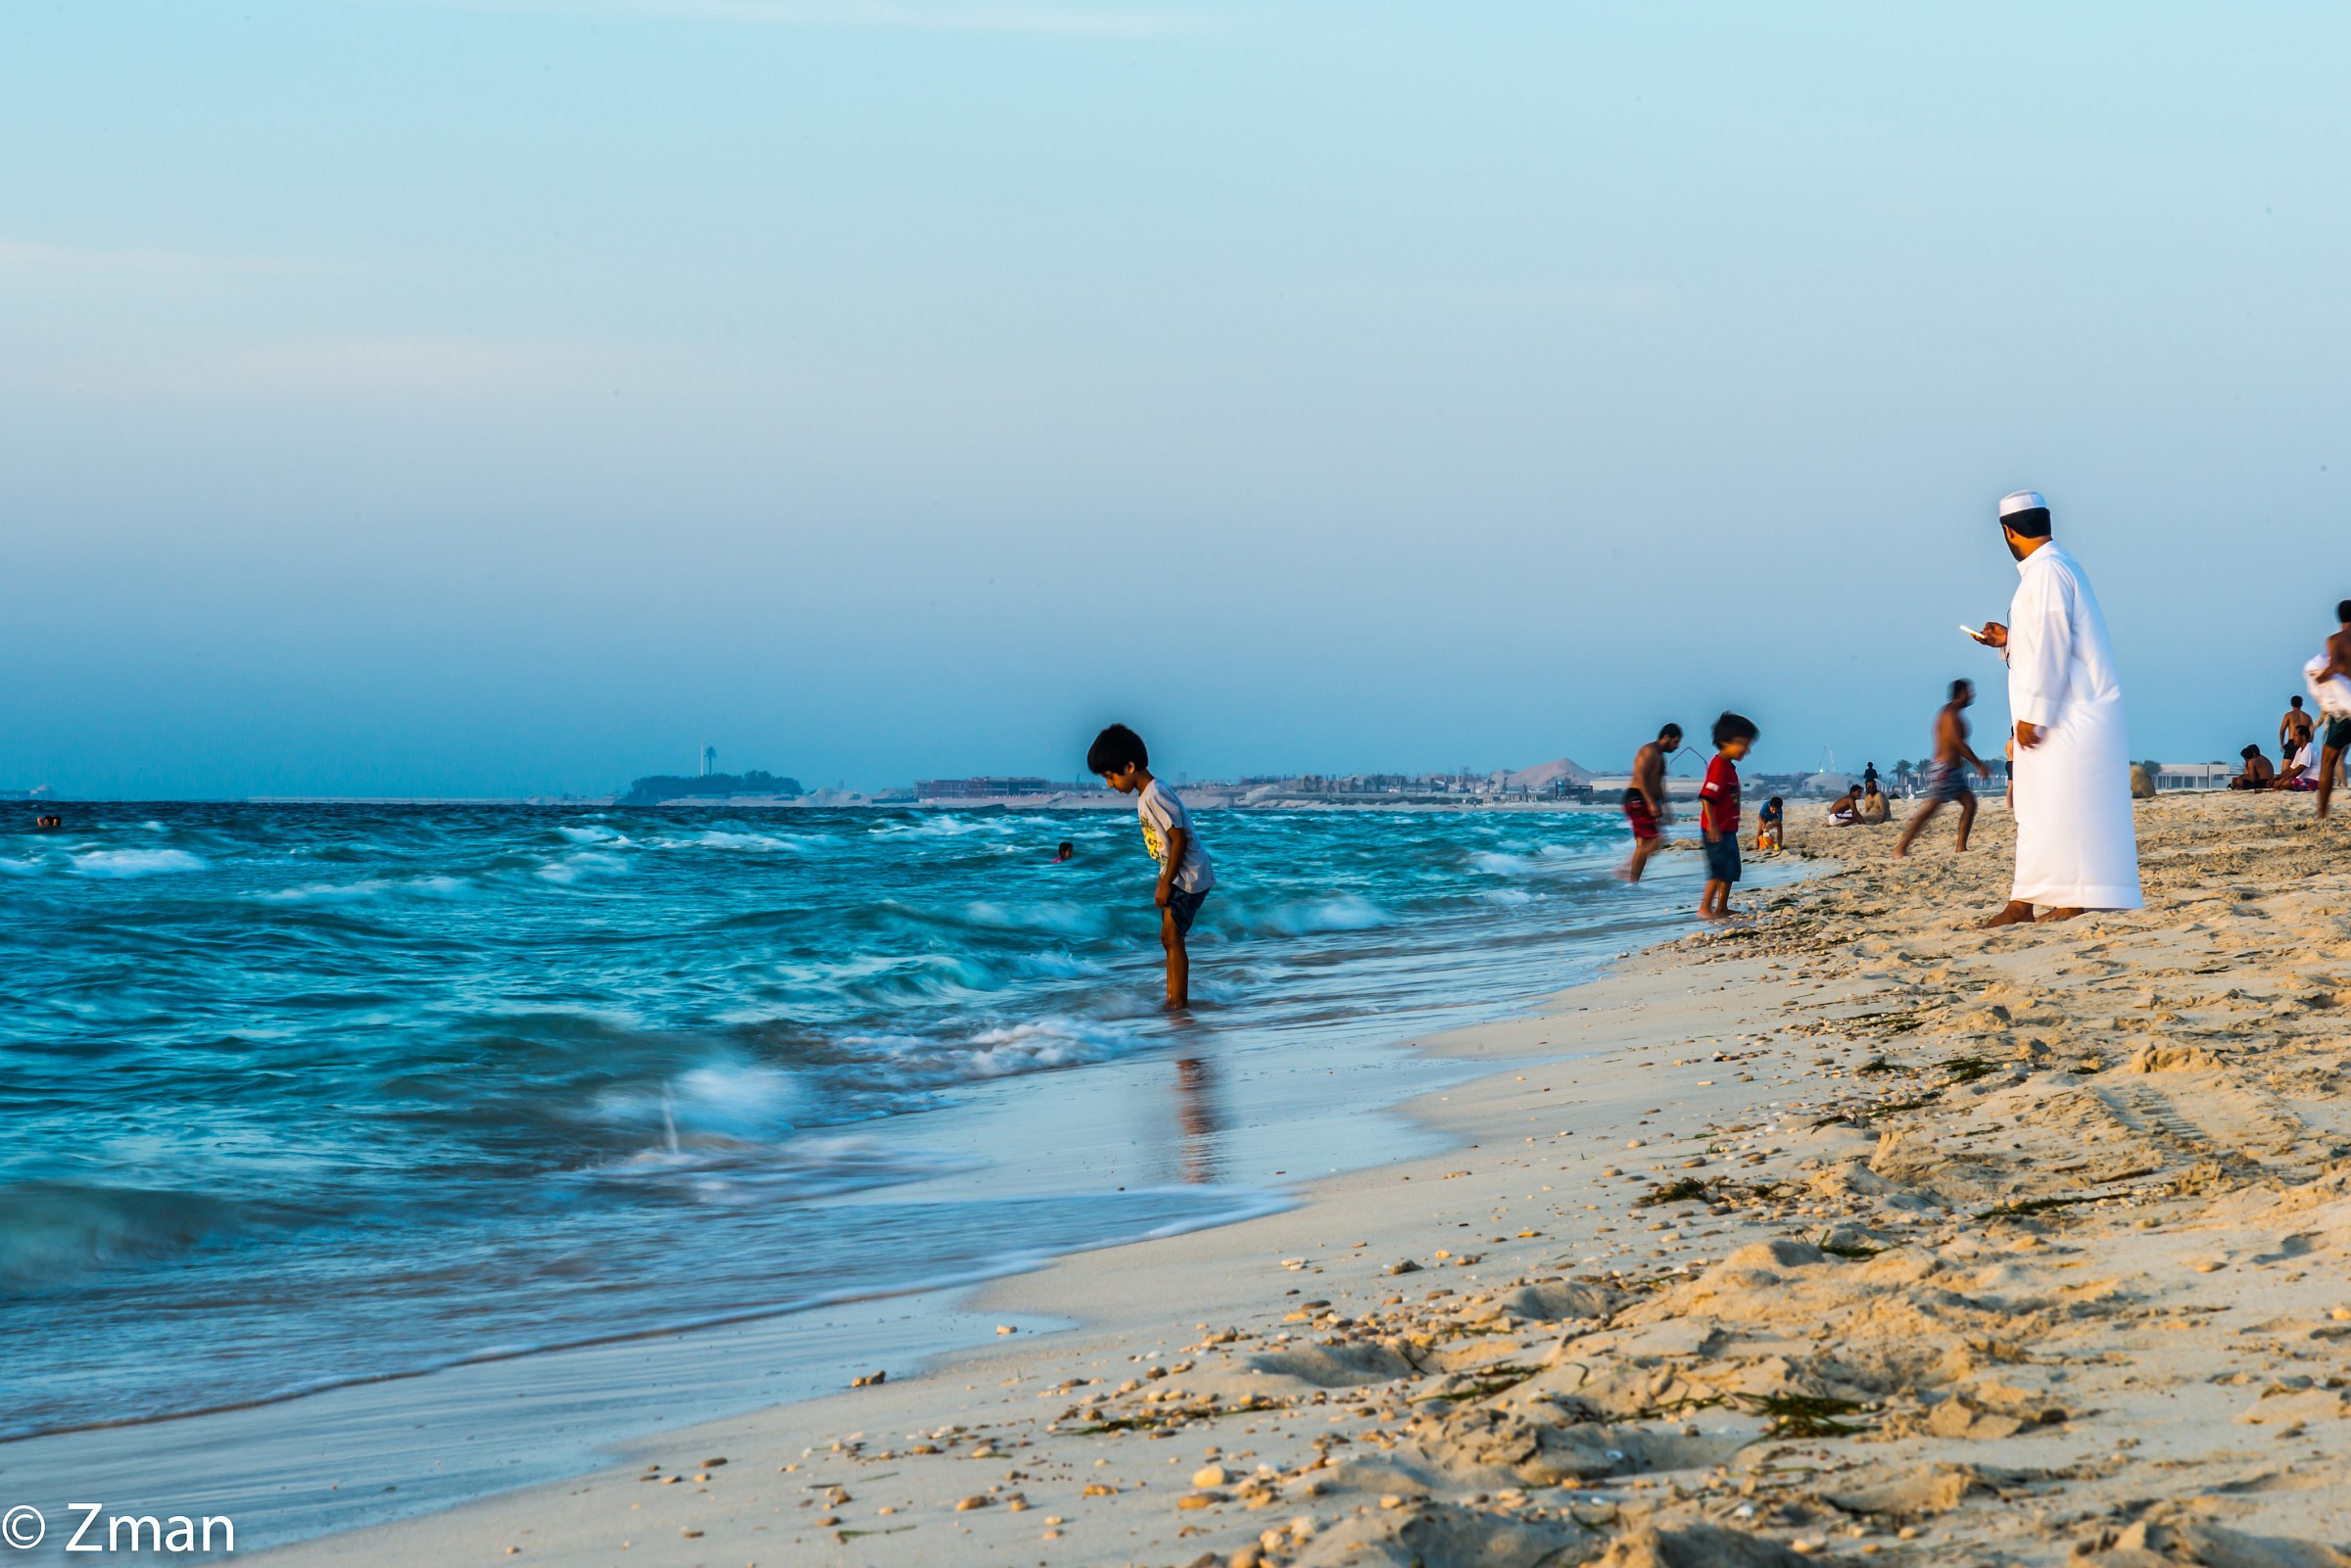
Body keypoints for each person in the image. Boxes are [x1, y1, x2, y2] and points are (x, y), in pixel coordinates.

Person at [1970, 491, 2142, 926]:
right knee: (2051, 810)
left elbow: (2052, 645)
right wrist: (2008, 639)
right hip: (2071, 712)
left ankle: (2042, 902)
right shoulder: (2055, 568)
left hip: (2067, 714)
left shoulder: (2046, 573)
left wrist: (2036, 714)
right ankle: (2046, 899)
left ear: (2008, 532)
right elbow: (2045, 639)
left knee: (2053, 811)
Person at [1087, 724, 1216, 1009]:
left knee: (1172, 936)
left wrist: (1164, 883)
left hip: (1188, 876)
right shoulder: (1146, 795)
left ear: (1129, 766)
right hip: (1179, 874)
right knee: (1169, 937)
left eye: (1111, 777)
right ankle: (1174, 1000)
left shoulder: (1155, 793)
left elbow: (1179, 838)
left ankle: (1177, 1003)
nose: (1109, 784)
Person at [1895, 679, 1993, 857]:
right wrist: (1978, 765)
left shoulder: (1954, 713)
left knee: (1970, 804)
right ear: (1961, 693)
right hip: (1944, 770)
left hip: (1952, 770)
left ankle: (1960, 847)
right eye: (1969, 691)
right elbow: (1956, 743)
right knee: (1930, 809)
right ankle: (1901, 847)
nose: (1972, 695)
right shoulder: (1949, 715)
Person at [1698, 712, 1756, 922]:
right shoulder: (1719, 766)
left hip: (1728, 830)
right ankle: (1705, 907)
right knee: (1719, 868)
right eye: (1743, 744)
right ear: (1725, 742)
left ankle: (1721, 906)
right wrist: (1712, 825)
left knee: (1731, 869)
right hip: (1716, 830)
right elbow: (1706, 797)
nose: (1746, 750)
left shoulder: (1729, 767)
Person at [1619, 723, 1681, 882]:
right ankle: (1626, 872)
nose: (1677, 746)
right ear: (1666, 737)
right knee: (1655, 840)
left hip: (1646, 799)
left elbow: (1659, 783)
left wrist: (1666, 806)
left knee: (1644, 843)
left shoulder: (1660, 756)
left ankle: (1633, 882)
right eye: (1676, 741)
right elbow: (1640, 777)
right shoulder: (1648, 751)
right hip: (1637, 798)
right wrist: (1651, 803)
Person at [2308, 600, 2351, 820]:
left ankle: (2322, 814)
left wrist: (2319, 676)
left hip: (2344, 713)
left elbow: (2334, 667)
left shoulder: (2335, 640)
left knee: (2328, 762)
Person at [2281, 695, 2315, 760]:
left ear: (2291, 704)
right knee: (2301, 765)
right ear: (2301, 704)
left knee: (2286, 767)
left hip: (2292, 742)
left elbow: (2282, 731)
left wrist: (2282, 743)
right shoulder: (2308, 717)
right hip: (2303, 742)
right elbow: (2311, 734)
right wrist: (2308, 745)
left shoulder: (2289, 715)